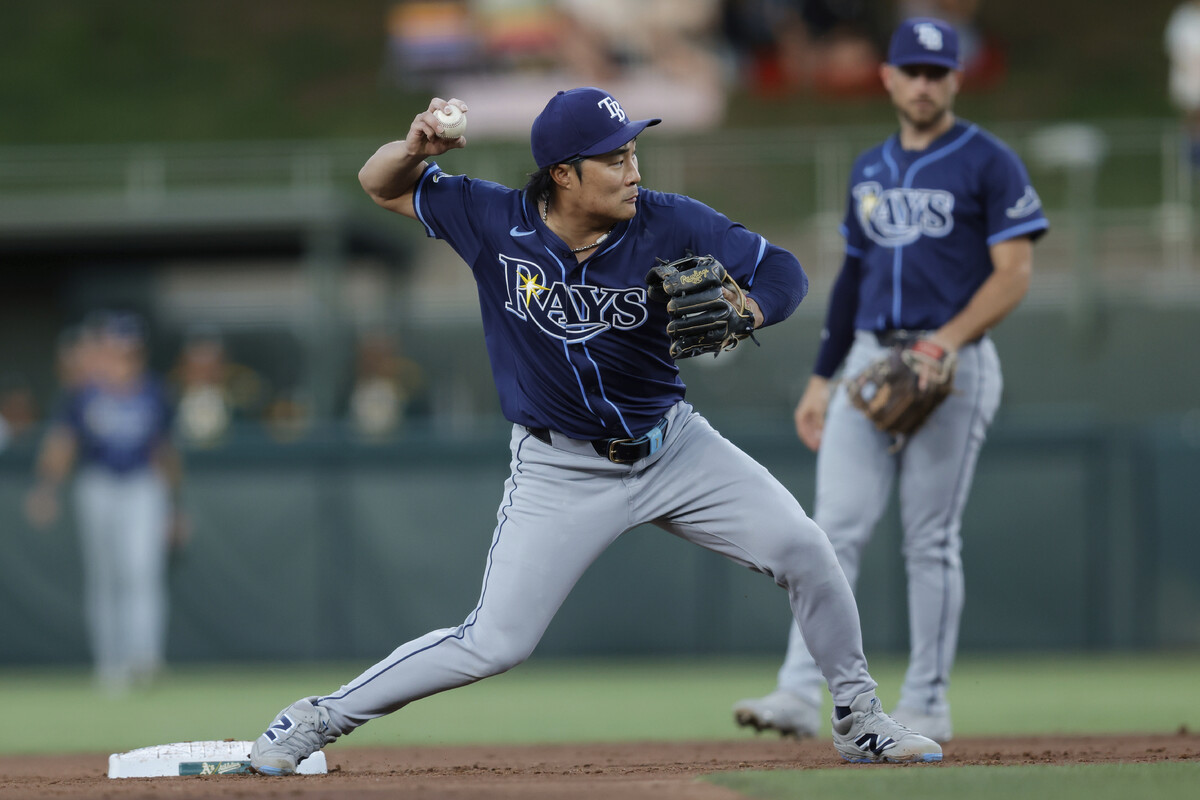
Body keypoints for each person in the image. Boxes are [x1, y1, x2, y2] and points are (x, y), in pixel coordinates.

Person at [246, 86, 942, 774]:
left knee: (806, 549)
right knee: (495, 643)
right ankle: (318, 716)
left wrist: (752, 311)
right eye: (614, 159)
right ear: (563, 174)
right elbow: (378, 184)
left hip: (675, 448)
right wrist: (414, 149)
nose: (634, 171)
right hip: (560, 469)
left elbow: (782, 269)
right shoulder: (491, 218)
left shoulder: (670, 221)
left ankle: (859, 719)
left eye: (634, 152)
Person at [732, 17, 1047, 743]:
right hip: (870, 356)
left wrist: (947, 341)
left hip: (955, 362)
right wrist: (820, 377)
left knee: (930, 538)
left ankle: (929, 699)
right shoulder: (870, 167)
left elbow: (1015, 275)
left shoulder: (988, 161)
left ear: (956, 79)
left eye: (938, 72)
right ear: (888, 78)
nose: (925, 83)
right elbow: (853, 280)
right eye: (913, 70)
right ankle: (795, 692)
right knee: (827, 532)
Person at [25, 312, 186, 694]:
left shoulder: (153, 391)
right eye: (115, 347)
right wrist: (46, 488)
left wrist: (176, 506)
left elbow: (165, 452)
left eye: (128, 348)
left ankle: (144, 660)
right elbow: (62, 443)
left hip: (144, 485)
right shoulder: (84, 392)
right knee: (106, 577)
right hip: (97, 484)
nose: (122, 355)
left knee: (142, 572)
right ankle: (111, 667)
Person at [1166, 0, 1200, 168]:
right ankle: (1192, 159)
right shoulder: (1182, 17)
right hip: (1190, 76)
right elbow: (1175, 48)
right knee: (1193, 115)